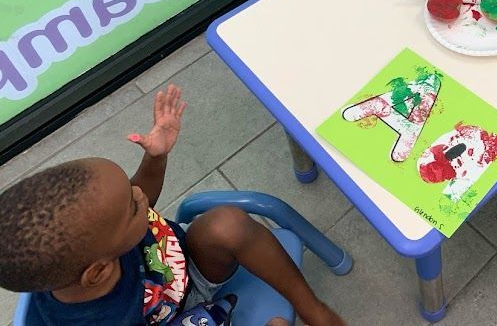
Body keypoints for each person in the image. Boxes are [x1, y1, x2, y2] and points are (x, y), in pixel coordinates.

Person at [0, 85, 345, 325]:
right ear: (99, 271)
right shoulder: (101, 319)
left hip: (184, 272)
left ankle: (314, 310)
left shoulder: (95, 240)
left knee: (228, 223)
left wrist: (156, 158)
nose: (140, 196)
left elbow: (140, 197)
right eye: (132, 207)